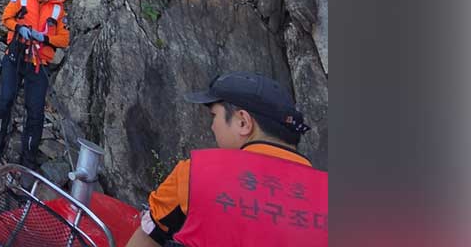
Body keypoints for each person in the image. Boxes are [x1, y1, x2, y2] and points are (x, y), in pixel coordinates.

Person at [126, 71, 327, 247]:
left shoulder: (195, 174)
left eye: (214, 116)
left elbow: (148, 237)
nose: (212, 126)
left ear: (243, 122)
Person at [0, 0, 70, 169]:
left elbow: (64, 39)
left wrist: (44, 38)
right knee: (5, 99)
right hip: (15, 57)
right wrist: (19, 27)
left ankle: (28, 160)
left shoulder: (58, 9)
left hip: (38, 64)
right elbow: (6, 18)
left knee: (36, 111)